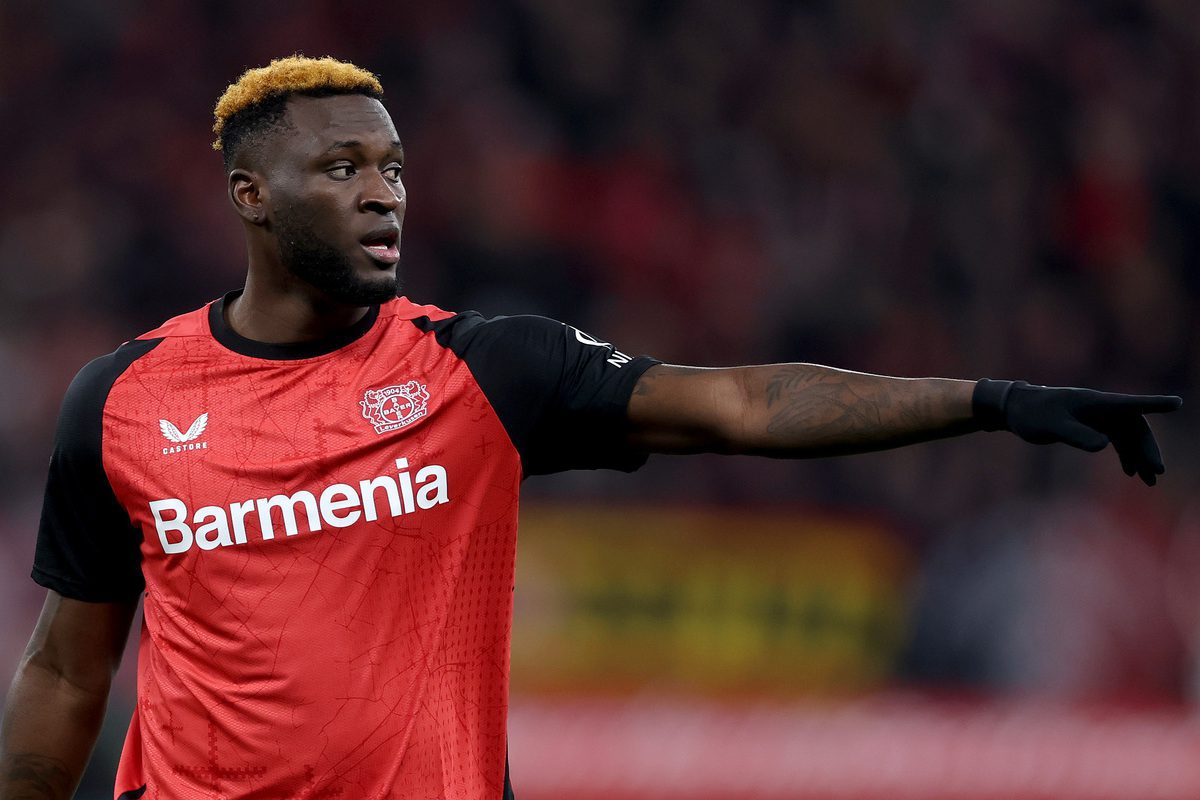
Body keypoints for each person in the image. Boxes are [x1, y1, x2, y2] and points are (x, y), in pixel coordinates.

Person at [0, 55, 1181, 800]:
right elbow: (65, 666)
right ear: (250, 196)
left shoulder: (482, 368)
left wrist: (984, 399)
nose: (382, 192)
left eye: (396, 168)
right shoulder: (125, 398)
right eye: (343, 166)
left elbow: (735, 402)